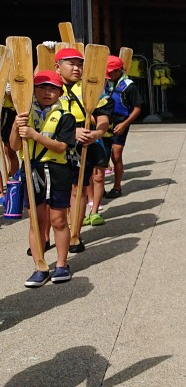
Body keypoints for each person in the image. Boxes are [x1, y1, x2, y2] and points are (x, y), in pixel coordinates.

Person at [10, 71, 77, 287]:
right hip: (32, 170)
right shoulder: (24, 114)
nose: (47, 92)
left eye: (53, 89)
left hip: (57, 171)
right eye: (42, 87)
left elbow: (62, 146)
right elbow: (14, 145)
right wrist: (16, 126)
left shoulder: (65, 116)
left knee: (58, 220)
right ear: (34, 90)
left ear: (60, 92)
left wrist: (35, 135)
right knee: (36, 221)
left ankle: (62, 264)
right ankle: (39, 267)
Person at [55, 47, 112, 249]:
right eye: (71, 64)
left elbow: (103, 117)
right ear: (57, 67)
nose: (76, 68)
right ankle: (45, 236)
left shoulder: (90, 87)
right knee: (51, 194)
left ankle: (75, 234)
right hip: (53, 145)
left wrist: (97, 133)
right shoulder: (47, 87)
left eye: (80, 64)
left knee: (77, 189)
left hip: (83, 146)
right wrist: (71, 133)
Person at [103, 54, 145, 200]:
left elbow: (137, 108)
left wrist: (124, 124)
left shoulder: (129, 86)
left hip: (120, 123)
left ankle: (117, 187)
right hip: (104, 123)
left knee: (116, 156)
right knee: (101, 158)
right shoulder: (104, 82)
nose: (108, 75)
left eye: (110, 72)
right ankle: (100, 187)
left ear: (118, 70)